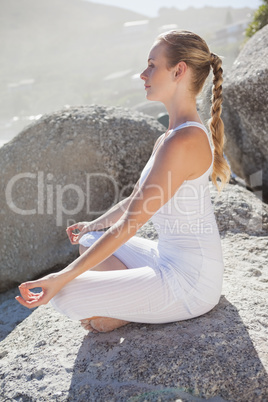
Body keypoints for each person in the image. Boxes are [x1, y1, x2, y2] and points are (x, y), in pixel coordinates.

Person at [16, 30, 231, 333]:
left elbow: (132, 222)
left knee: (64, 293)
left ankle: (132, 309)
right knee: (89, 242)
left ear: (178, 71)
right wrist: (94, 225)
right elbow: (137, 201)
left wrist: (60, 278)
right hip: (167, 259)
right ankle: (134, 301)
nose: (143, 74)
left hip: (191, 283)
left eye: (152, 65)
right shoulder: (171, 136)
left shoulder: (183, 141)